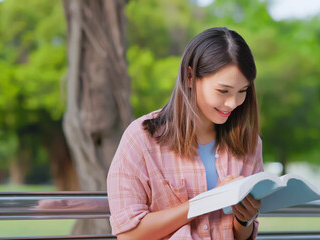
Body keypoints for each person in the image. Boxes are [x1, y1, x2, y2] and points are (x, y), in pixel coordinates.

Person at [107, 27, 263, 240]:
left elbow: (242, 235)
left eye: (242, 91)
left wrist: (243, 220)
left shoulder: (249, 143)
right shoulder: (141, 139)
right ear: (190, 77)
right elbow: (128, 234)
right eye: (223, 91)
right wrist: (209, 200)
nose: (232, 103)